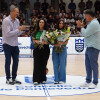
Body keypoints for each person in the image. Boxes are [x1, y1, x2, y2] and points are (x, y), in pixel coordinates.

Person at [2, 5, 26, 85]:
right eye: (16, 12)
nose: (18, 14)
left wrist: (21, 30)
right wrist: (17, 30)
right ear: (12, 11)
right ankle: (8, 78)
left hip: (15, 44)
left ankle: (14, 78)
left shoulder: (17, 21)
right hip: (7, 44)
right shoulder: (6, 21)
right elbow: (8, 34)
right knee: (8, 61)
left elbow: (17, 33)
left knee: (16, 61)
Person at [76, 10, 100, 89]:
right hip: (89, 46)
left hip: (93, 47)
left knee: (93, 65)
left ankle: (95, 82)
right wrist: (83, 25)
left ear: (89, 16)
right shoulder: (91, 23)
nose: (85, 18)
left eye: (85, 16)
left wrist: (81, 26)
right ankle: (88, 80)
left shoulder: (94, 23)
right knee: (88, 65)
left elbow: (85, 33)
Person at [32, 18, 50, 85]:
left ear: (44, 23)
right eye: (40, 22)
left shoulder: (47, 32)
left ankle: (43, 79)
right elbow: (33, 40)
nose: (41, 23)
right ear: (38, 23)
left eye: (42, 22)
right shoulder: (35, 32)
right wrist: (36, 41)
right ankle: (36, 79)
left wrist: (46, 42)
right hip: (37, 49)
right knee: (37, 64)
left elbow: (50, 41)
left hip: (45, 49)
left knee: (43, 64)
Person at [52, 19, 69, 84]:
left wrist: (61, 44)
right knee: (55, 64)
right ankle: (56, 79)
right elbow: (51, 41)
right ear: (57, 24)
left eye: (62, 23)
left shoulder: (66, 32)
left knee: (62, 64)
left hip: (63, 48)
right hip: (55, 48)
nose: (61, 24)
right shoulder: (54, 32)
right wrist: (55, 44)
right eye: (59, 23)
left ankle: (62, 79)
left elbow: (66, 41)